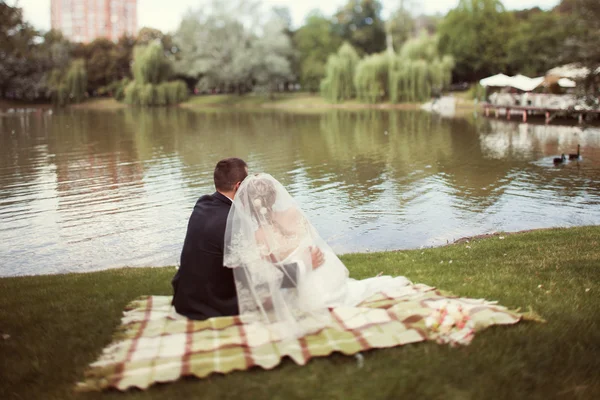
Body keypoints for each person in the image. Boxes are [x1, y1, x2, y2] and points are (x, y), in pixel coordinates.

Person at [224, 173, 411, 338]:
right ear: (274, 196)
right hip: (327, 270)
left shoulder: (258, 236)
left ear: (248, 205)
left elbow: (274, 276)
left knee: (304, 304)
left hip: (304, 283)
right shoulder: (293, 213)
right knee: (349, 290)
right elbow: (312, 243)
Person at [172, 159, 324, 320]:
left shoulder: (204, 203)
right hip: (212, 305)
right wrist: (303, 266)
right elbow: (255, 275)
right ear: (238, 187)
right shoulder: (232, 222)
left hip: (185, 298)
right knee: (275, 300)